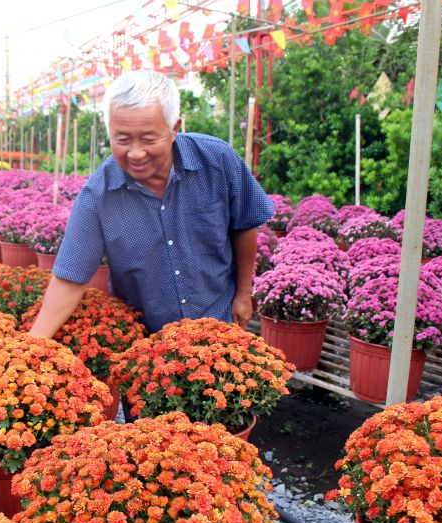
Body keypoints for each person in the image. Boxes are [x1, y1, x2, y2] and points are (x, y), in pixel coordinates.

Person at [29, 70, 274, 339]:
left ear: (174, 128)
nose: (135, 153)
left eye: (148, 139)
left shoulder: (217, 161)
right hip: (146, 344)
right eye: (122, 139)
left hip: (219, 322)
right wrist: (33, 345)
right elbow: (69, 276)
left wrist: (243, 294)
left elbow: (244, 226)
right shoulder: (99, 194)